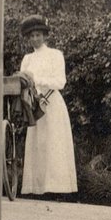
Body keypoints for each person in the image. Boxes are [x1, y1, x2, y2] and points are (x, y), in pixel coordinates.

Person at [19, 15, 77, 195]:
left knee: (54, 143)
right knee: (38, 143)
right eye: (31, 36)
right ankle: (37, 188)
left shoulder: (55, 55)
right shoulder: (27, 59)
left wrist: (38, 80)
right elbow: (23, 82)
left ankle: (57, 188)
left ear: (45, 36)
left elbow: (60, 81)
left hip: (52, 104)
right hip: (35, 105)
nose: (35, 39)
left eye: (38, 35)